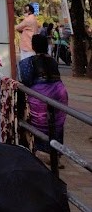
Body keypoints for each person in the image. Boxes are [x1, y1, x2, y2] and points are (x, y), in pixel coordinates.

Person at [19, 34, 69, 164]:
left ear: (33, 46)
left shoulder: (27, 62)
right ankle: (56, 154)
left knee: (40, 122)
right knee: (56, 123)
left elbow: (26, 80)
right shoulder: (52, 60)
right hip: (60, 92)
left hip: (41, 94)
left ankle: (43, 152)